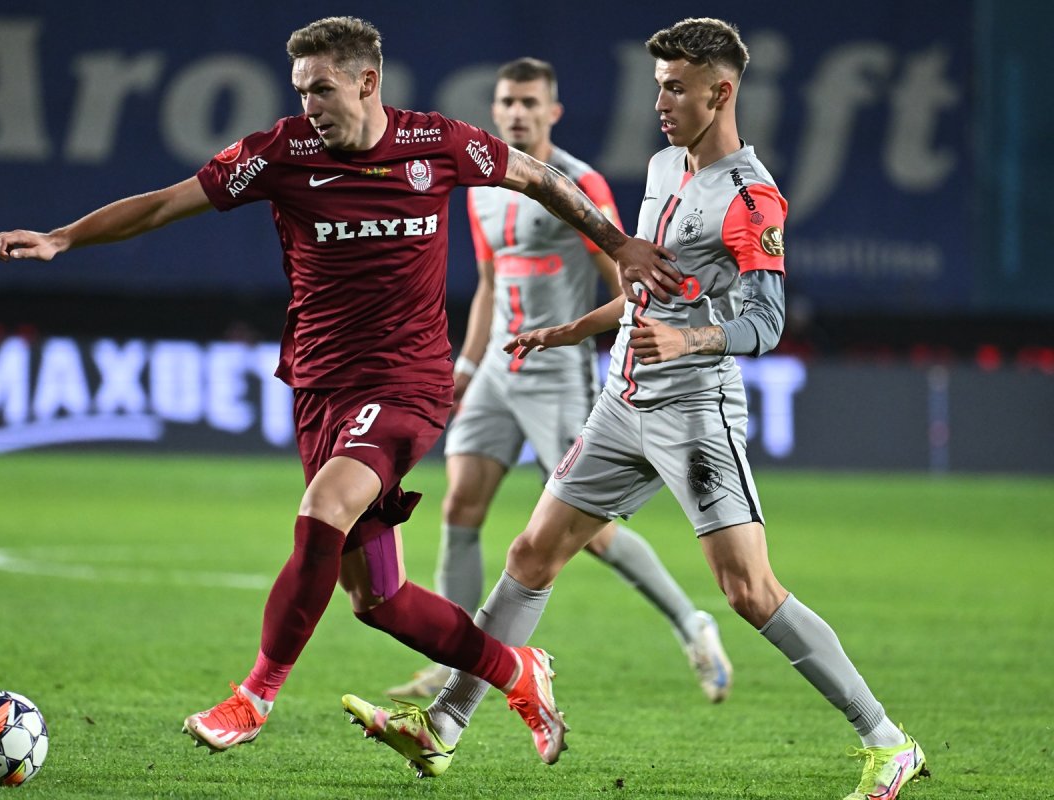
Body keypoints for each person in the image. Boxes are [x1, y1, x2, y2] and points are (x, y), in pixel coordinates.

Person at [0, 16, 684, 772]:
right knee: (377, 600)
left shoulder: (436, 144)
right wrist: (63, 237)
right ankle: (516, 669)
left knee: (324, 507)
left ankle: (254, 697)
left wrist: (618, 245)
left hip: (407, 382)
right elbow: (165, 204)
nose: (309, 105)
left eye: (321, 89)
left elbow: (540, 178)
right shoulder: (279, 153)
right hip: (320, 388)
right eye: (301, 91)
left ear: (366, 82)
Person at [342, 18, 929, 800]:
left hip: (694, 415)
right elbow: (648, 291)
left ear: (721, 92)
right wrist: (574, 329)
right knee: (530, 555)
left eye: (676, 88)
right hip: (619, 404)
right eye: (658, 86)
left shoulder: (751, 198)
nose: (660, 102)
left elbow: (765, 324)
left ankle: (888, 742)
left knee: (749, 591)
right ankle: (443, 726)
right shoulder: (661, 167)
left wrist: (687, 341)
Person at [385, 57, 732, 704]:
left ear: (552, 112)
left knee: (591, 534)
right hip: (498, 370)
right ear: (495, 110)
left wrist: (634, 356)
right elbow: (489, 283)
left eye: (529, 102)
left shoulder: (579, 182)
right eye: (507, 102)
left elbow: (625, 281)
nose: (517, 112)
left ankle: (693, 623)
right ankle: (451, 658)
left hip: (558, 376)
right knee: (459, 506)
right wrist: (467, 365)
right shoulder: (481, 186)